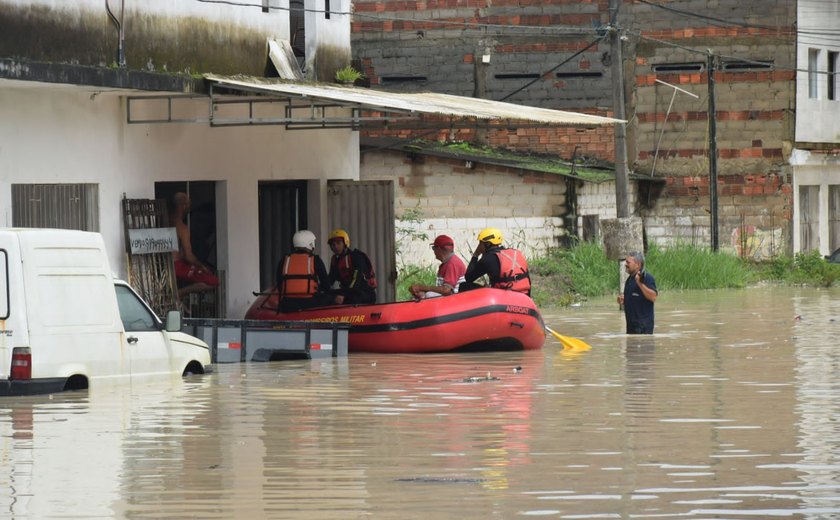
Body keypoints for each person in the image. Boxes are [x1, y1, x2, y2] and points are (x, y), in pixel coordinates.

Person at [170, 192, 219, 299]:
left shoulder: (165, 221)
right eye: (188, 205)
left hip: (165, 266)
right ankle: (179, 293)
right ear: (183, 206)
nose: (189, 208)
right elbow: (189, 256)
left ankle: (179, 296)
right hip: (177, 266)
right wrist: (201, 266)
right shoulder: (182, 227)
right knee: (213, 281)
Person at [459, 227, 531, 296]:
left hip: (505, 297)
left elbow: (468, 277)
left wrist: (476, 255)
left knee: (464, 286)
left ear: (487, 244)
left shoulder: (488, 258)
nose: (479, 246)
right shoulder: (515, 253)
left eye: (480, 243)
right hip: (525, 294)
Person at [277, 230, 331, 312]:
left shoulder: (284, 259)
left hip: (287, 303)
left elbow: (279, 284)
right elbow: (326, 285)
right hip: (310, 303)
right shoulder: (315, 259)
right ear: (310, 243)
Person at [326, 229, 377, 305]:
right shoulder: (335, 260)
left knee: (352, 299)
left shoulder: (356, 256)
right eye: (333, 245)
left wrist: (345, 295)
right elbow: (330, 279)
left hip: (364, 292)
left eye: (338, 243)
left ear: (345, 243)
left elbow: (357, 280)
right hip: (349, 291)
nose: (335, 246)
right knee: (325, 297)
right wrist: (321, 289)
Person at [409, 234, 467, 299]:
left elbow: (446, 290)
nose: (434, 252)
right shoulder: (446, 263)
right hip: (451, 300)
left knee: (429, 295)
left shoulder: (453, 263)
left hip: (455, 301)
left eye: (434, 248)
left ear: (438, 249)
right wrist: (422, 292)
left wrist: (422, 288)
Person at [617, 251, 658, 334]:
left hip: (643, 330)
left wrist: (640, 283)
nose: (625, 264)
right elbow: (636, 299)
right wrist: (623, 301)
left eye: (628, 262)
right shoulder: (629, 280)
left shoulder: (647, 278)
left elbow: (653, 297)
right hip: (631, 329)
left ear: (638, 265)